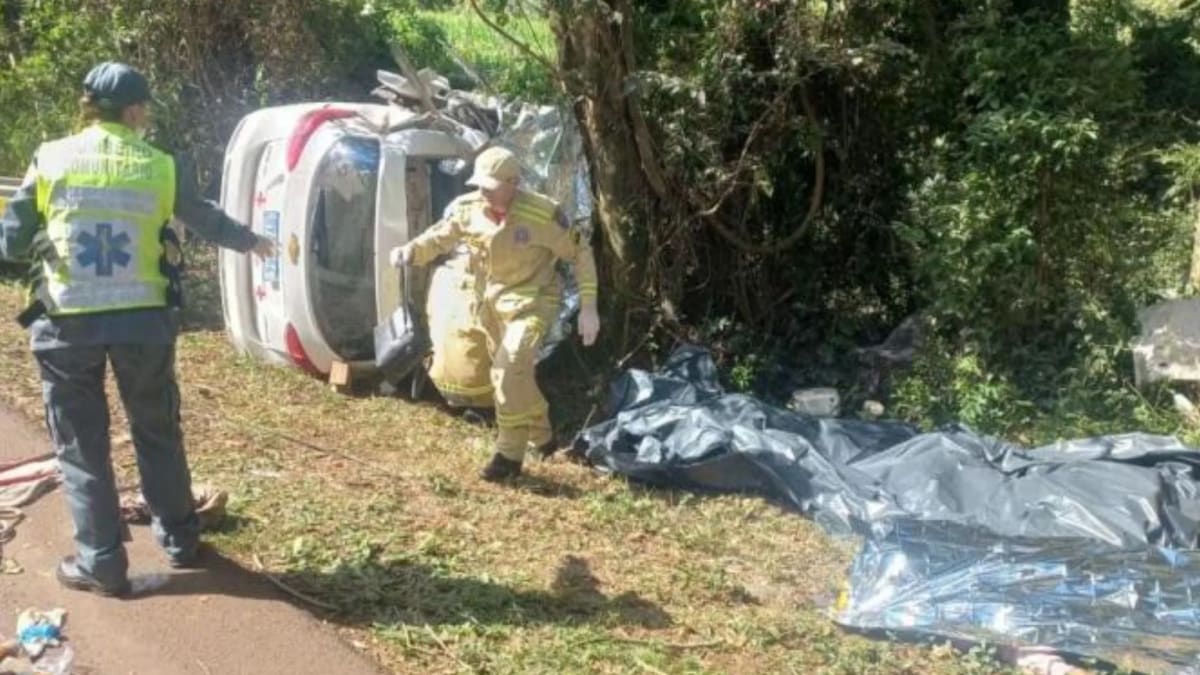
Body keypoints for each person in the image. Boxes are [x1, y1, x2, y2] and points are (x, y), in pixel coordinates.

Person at [0, 62, 274, 596]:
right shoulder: (162, 166)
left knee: (82, 444)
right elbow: (204, 218)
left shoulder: (50, 157)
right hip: (144, 322)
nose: (146, 115)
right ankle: (180, 539)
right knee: (157, 430)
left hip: (66, 322)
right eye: (143, 108)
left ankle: (101, 561)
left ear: (88, 107)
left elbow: (11, 241)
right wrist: (251, 241)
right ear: (132, 110)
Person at [391, 146, 600, 481]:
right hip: (489, 307)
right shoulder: (468, 209)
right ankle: (544, 439)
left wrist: (588, 308)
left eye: (491, 186)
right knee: (517, 375)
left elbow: (581, 253)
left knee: (508, 367)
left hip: (532, 303)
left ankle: (508, 457)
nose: (483, 192)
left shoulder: (543, 215)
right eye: (480, 185)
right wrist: (410, 251)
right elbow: (439, 238)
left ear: (513, 184)